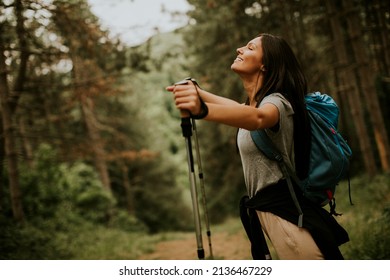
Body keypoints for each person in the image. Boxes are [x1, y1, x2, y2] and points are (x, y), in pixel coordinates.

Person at [166, 33, 349, 260]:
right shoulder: (253, 104)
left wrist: (202, 110)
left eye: (250, 48)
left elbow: (258, 118)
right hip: (276, 213)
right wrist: (198, 92)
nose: (239, 49)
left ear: (265, 64)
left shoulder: (277, 102)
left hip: (288, 216)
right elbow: (240, 109)